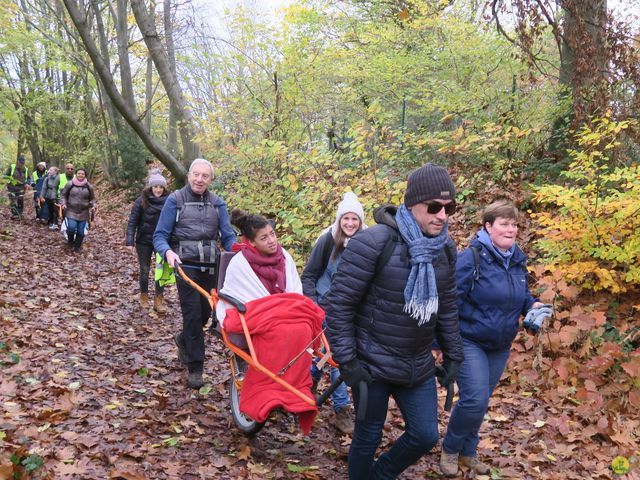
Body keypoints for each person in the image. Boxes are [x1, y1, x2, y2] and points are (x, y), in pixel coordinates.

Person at [323, 163, 464, 479]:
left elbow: (448, 305)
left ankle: (378, 476)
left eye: (449, 207)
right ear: (412, 203)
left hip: (417, 363)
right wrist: (348, 361)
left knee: (426, 435)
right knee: (368, 434)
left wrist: (455, 355)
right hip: (371, 364)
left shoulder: (445, 249)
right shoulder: (374, 242)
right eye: (434, 207)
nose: (442, 215)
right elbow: (339, 305)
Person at [439, 199, 550, 477]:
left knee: (482, 399)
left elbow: (522, 295)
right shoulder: (471, 258)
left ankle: (468, 452)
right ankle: (451, 449)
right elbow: (449, 302)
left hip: (500, 343)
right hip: (469, 339)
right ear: (488, 227)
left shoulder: (516, 259)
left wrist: (533, 306)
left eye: (514, 224)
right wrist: (442, 344)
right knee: (474, 400)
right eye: (504, 224)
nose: (511, 229)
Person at [153, 158, 237, 389]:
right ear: (189, 175)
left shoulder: (217, 203)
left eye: (205, 176)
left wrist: (241, 253)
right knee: (192, 316)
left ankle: (182, 340)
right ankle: (196, 367)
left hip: (212, 267)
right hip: (185, 265)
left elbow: (227, 236)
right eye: (196, 174)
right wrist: (168, 252)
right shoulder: (175, 200)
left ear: (210, 180)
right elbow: (160, 235)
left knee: (205, 315)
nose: (200, 179)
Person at [301, 191, 366, 435]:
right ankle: (341, 409)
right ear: (339, 221)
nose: (350, 224)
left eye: (355, 219)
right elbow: (309, 275)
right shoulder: (327, 240)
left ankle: (308, 384)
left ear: (361, 222)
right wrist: (313, 304)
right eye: (345, 219)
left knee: (327, 357)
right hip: (325, 307)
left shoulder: (367, 243)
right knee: (335, 357)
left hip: (351, 311)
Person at [216, 209, 303, 326]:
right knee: (286, 332)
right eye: (264, 238)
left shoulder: (284, 255)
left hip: (288, 313)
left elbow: (296, 290)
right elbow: (238, 299)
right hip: (259, 319)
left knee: (305, 324)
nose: (272, 241)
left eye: (272, 234)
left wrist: (287, 309)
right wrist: (274, 310)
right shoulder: (239, 263)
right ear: (252, 242)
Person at [126, 169, 170, 312]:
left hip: (161, 241)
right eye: (155, 186)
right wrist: (130, 241)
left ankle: (158, 300)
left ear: (164, 188)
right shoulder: (141, 201)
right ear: (150, 187)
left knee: (160, 271)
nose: (158, 189)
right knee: (144, 270)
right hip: (143, 241)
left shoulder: (169, 202)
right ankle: (144, 296)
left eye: (161, 187)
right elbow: (133, 221)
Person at [60, 168, 96, 252]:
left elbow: (92, 199)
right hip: (71, 210)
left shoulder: (89, 186)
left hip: (84, 212)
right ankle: (70, 243)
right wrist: (63, 203)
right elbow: (63, 196)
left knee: (81, 232)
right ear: (76, 174)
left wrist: (93, 205)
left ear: (85, 175)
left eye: (82, 174)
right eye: (79, 173)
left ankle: (77, 246)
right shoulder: (70, 184)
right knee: (71, 228)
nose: (80, 175)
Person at [5, 155, 29, 219]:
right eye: (21, 163)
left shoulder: (25, 169)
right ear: (17, 161)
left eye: (23, 163)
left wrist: (27, 183)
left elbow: (28, 178)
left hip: (21, 187)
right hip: (11, 186)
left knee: (20, 199)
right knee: (12, 200)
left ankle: (19, 214)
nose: (22, 164)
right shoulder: (12, 167)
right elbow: (6, 176)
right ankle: (15, 214)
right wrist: (11, 181)